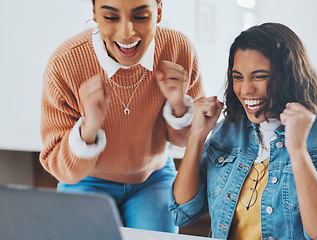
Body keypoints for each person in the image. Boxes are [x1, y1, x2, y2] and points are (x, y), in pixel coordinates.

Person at [170, 22, 317, 240]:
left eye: (259, 76)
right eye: (238, 77)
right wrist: (197, 136)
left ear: (288, 76)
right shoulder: (228, 130)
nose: (246, 89)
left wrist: (297, 149)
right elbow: (182, 213)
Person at [40, 0, 204, 233]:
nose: (127, 33)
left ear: (158, 11)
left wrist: (179, 106)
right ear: (95, 12)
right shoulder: (64, 64)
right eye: (111, 17)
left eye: (140, 16)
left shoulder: (178, 50)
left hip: (153, 176)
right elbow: (62, 169)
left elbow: (187, 141)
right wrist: (89, 129)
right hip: (87, 180)